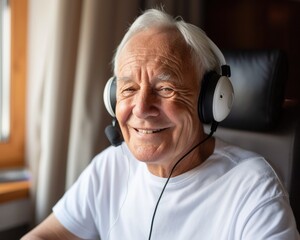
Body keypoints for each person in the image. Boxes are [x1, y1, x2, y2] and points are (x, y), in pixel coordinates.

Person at [22, 8, 299, 240]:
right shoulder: (111, 166)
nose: (141, 108)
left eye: (165, 88)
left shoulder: (255, 189)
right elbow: (45, 235)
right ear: (112, 98)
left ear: (211, 100)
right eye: (129, 89)